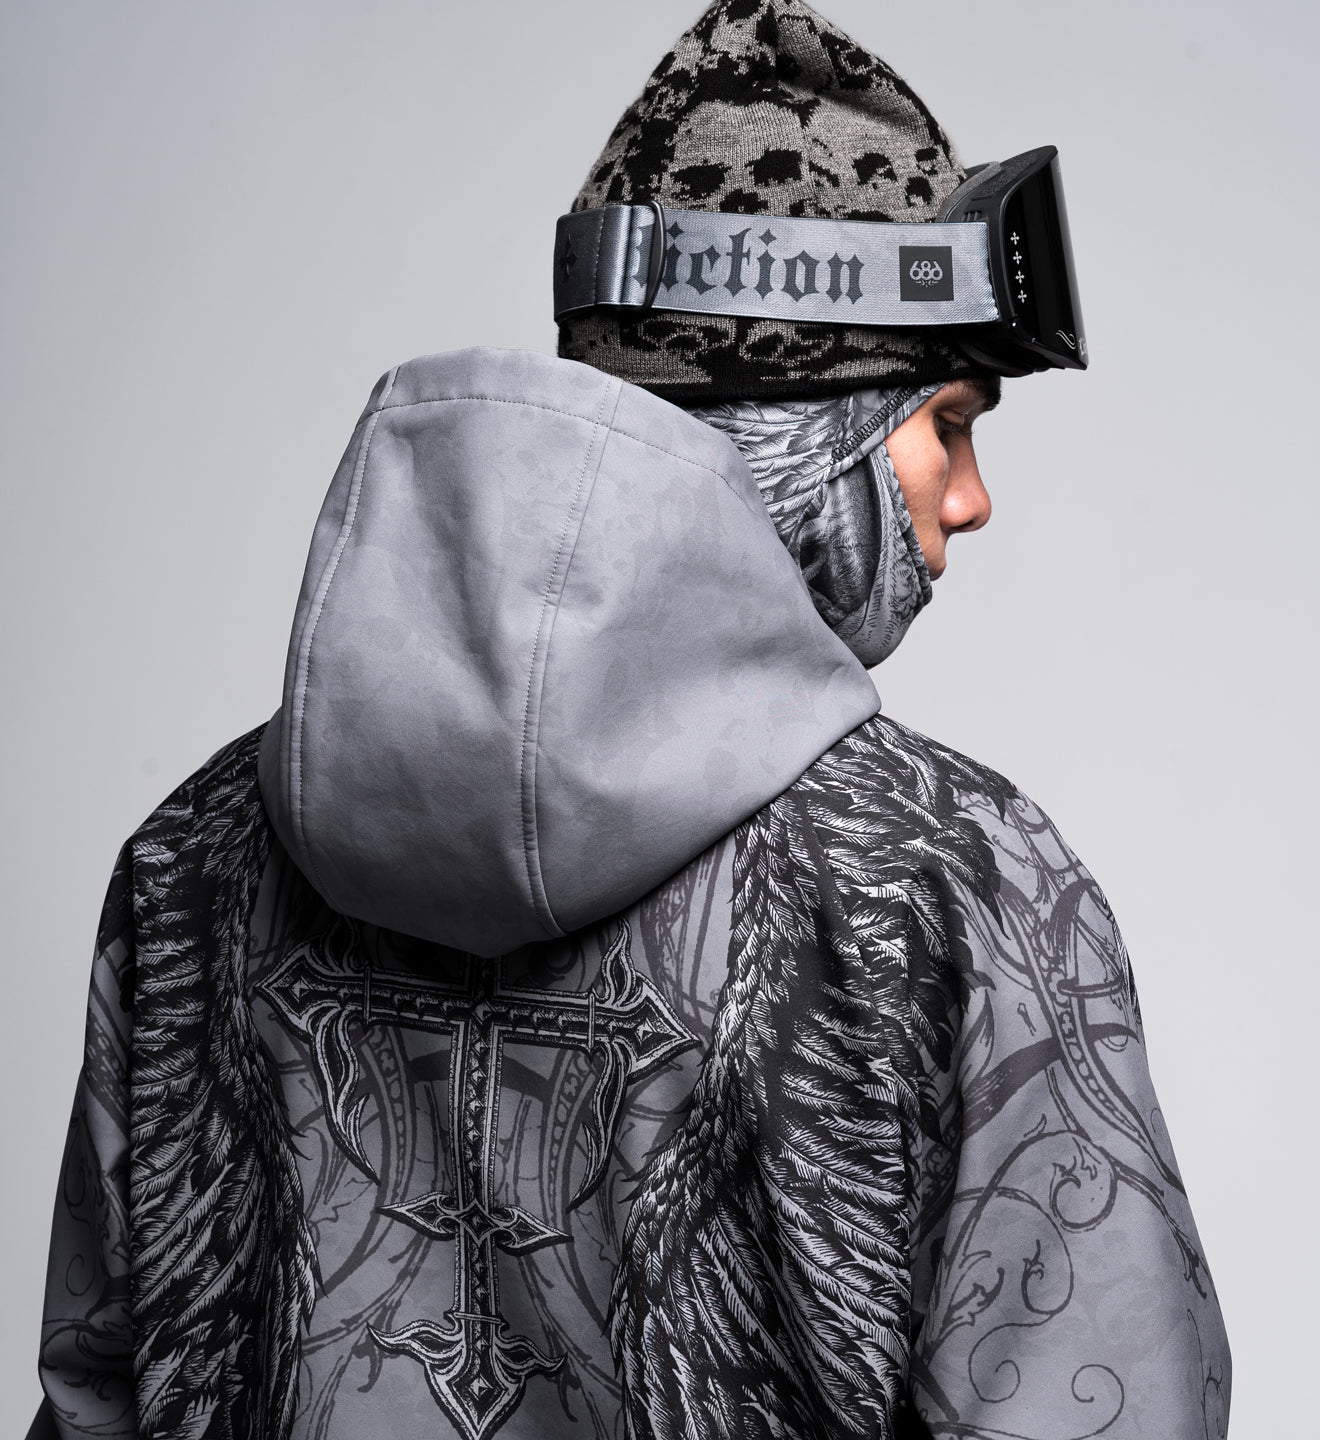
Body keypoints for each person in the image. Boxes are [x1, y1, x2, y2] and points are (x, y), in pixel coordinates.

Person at [27, 3, 1230, 1438]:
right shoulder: (952, 886)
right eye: (949, 423)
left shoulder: (195, 860)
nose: (969, 500)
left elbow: (97, 1398)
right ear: (814, 438)